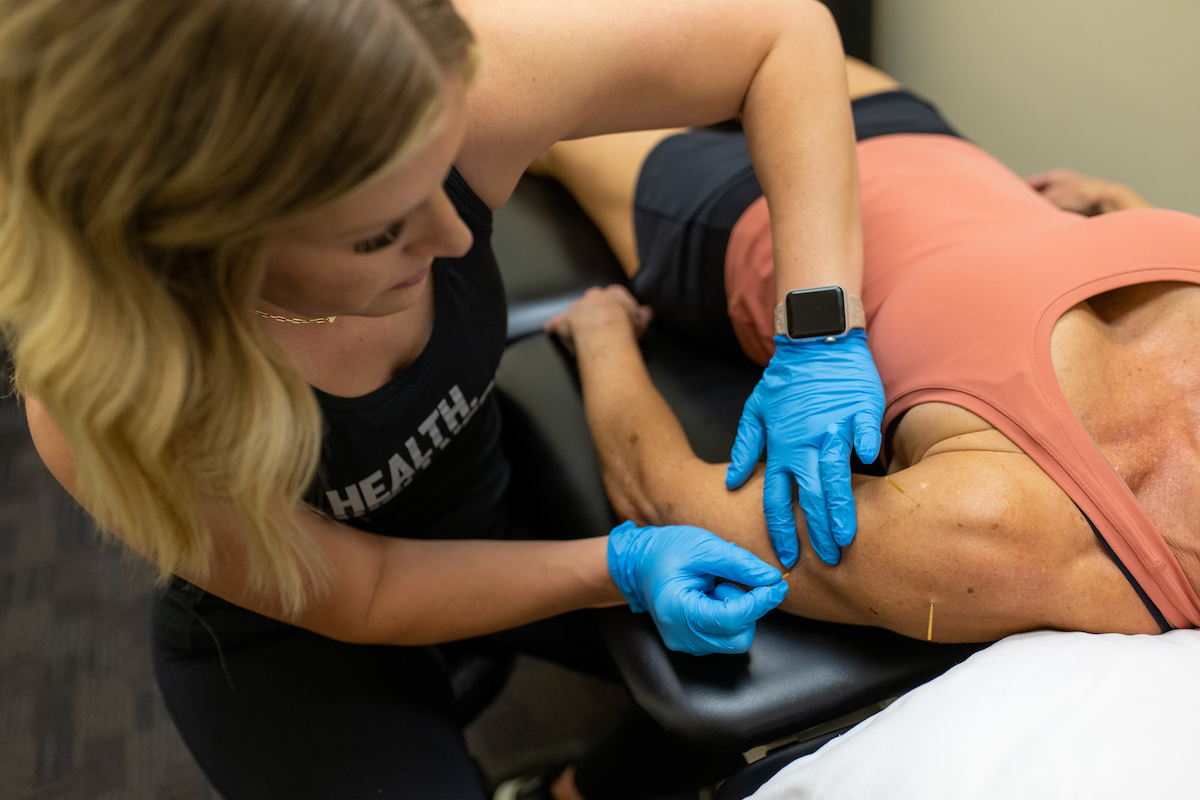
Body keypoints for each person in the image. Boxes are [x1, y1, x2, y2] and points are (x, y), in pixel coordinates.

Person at [0, 1, 887, 798]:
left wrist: (817, 329)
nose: (460, 232)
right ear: (204, 244)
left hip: (489, 500)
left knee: (783, 687)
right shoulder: (106, 390)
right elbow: (368, 590)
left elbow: (782, 34)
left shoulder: (446, 72)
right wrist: (611, 568)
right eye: (380, 233)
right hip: (291, 626)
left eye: (443, 167)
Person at [541, 57, 1200, 643]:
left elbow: (666, 497)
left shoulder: (1014, 540)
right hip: (923, 139)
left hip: (733, 210)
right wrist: (1122, 205)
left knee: (517, 67)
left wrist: (602, 336)